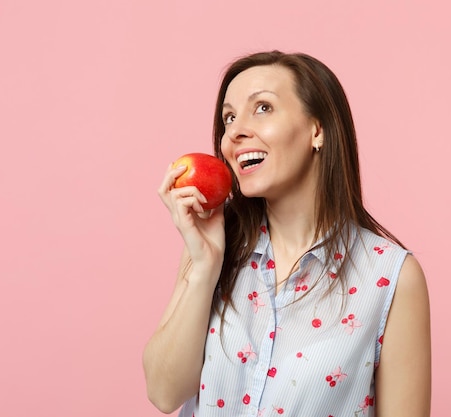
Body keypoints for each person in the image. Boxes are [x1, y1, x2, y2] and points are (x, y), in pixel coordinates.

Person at [143, 50, 431, 417]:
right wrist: (203, 266)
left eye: (262, 108)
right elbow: (164, 393)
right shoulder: (213, 246)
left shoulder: (390, 277)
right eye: (229, 117)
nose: (235, 131)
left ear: (317, 130)